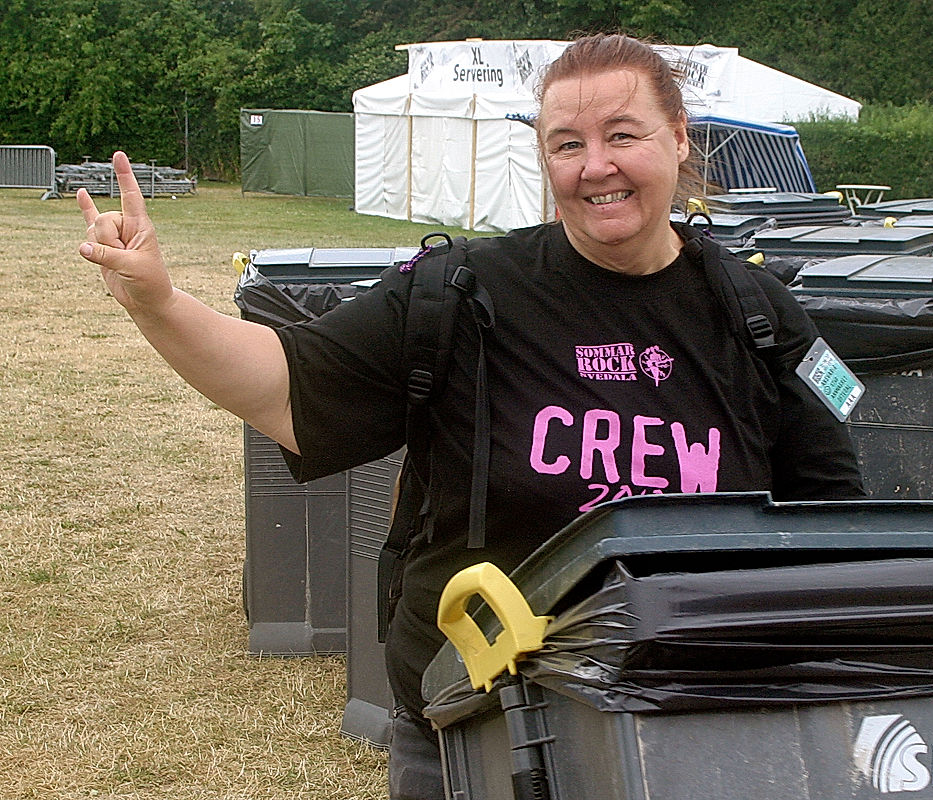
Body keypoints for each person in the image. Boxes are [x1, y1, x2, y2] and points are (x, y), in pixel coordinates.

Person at [79, 33, 864, 800]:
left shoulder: (759, 316)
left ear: (678, 137)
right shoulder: (461, 294)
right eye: (566, 144)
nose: (597, 166)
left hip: (694, 724)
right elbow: (285, 388)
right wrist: (158, 302)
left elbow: (838, 522)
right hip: (479, 730)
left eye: (623, 135)